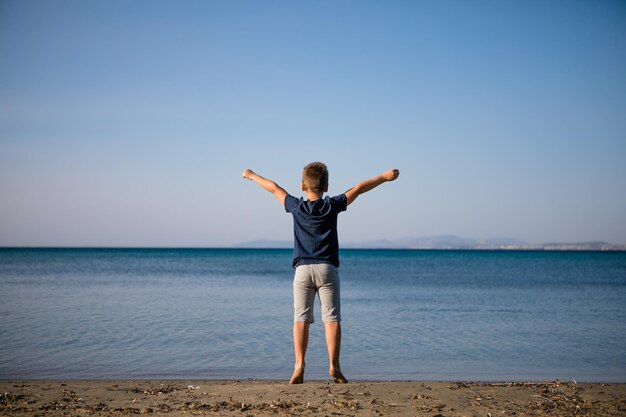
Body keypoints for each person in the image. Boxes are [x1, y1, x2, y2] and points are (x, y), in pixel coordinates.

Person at [241, 162, 399, 384]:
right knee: (332, 319)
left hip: (303, 270)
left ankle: (298, 366)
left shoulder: (296, 206)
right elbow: (359, 188)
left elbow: (274, 188)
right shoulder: (332, 205)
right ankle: (334, 366)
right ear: (326, 186)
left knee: (300, 319)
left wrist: (251, 175)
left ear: (302, 185)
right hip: (327, 269)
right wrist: (383, 177)